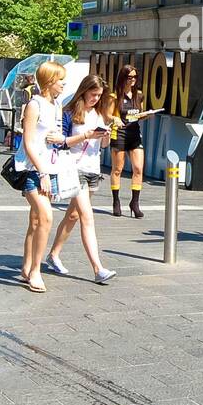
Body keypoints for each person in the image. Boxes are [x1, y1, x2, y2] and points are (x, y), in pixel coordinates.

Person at [45, 74, 117, 285]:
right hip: (73, 169)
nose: (96, 98)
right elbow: (61, 143)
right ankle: (98, 268)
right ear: (84, 91)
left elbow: (102, 147)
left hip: (93, 169)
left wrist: (105, 135)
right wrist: (86, 135)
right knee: (87, 216)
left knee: (74, 215)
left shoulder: (99, 114)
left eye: (99, 95)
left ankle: (53, 255)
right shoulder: (69, 113)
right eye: (93, 94)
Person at [15, 60, 68, 294]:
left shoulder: (57, 105)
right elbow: (27, 142)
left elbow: (54, 136)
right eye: (60, 81)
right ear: (49, 81)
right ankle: (36, 269)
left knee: (36, 219)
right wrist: (42, 171)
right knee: (45, 216)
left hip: (50, 165)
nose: (64, 85)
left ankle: (27, 266)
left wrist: (58, 138)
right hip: (32, 168)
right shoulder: (34, 105)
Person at [109, 64, 152, 218]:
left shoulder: (139, 95)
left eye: (135, 77)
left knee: (138, 168)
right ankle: (116, 201)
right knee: (118, 169)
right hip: (119, 134)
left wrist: (146, 114)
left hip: (134, 134)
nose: (133, 80)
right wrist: (115, 119)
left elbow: (138, 114)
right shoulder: (114, 96)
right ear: (123, 78)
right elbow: (108, 115)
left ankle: (135, 202)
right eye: (129, 77)